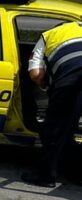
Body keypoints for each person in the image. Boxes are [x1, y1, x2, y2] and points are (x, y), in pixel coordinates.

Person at [22, 19, 82, 186]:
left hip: (72, 76)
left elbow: (35, 74)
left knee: (56, 128)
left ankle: (44, 176)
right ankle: (77, 173)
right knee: (70, 126)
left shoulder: (49, 35)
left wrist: (48, 87)